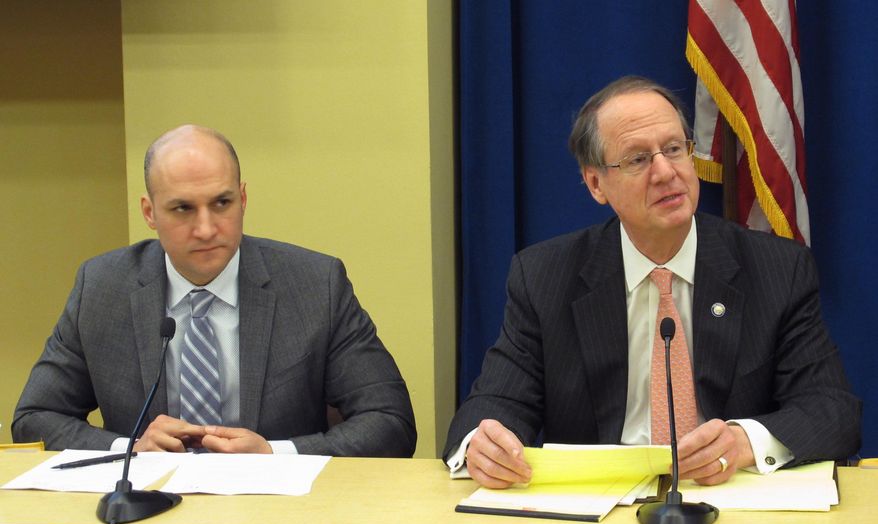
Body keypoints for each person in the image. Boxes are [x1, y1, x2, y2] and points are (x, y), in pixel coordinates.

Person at [443, 76, 861, 488]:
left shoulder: (776, 270)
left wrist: (742, 442)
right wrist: (484, 445)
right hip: (600, 519)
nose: (665, 172)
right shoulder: (544, 277)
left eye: (675, 149)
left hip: (728, 504)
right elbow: (495, 403)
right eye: (638, 159)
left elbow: (832, 410)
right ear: (595, 183)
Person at [13, 124, 417, 457]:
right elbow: (35, 418)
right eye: (182, 208)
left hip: (279, 521)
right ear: (150, 213)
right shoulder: (102, 288)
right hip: (145, 520)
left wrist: (276, 456)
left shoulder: (315, 285)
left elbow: (390, 423)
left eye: (221, 203)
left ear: (242, 198)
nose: (206, 228)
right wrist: (130, 449)